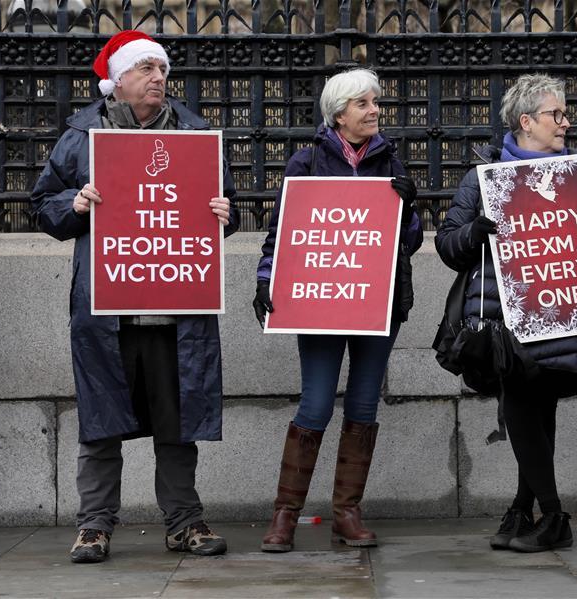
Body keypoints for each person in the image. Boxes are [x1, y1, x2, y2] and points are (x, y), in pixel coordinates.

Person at [31, 31, 239, 563]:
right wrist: (75, 204)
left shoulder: (194, 132)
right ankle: (94, 526)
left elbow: (223, 207)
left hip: (177, 313)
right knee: (101, 422)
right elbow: (43, 207)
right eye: (145, 68)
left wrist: (226, 215)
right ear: (118, 80)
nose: (157, 77)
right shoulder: (82, 134)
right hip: (108, 312)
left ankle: (184, 523)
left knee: (177, 424)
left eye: (161, 68)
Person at [435, 74, 577, 553]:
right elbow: (447, 243)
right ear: (526, 121)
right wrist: (474, 233)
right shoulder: (484, 177)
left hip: (562, 312)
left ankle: (531, 510)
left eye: (565, 115)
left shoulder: (576, 176)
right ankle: (549, 513)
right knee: (522, 400)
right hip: (508, 319)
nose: (565, 123)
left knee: (536, 407)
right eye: (556, 115)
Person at [253, 68, 422, 552]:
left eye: (375, 102)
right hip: (322, 304)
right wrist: (267, 279)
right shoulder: (305, 164)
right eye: (364, 103)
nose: (375, 110)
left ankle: (347, 512)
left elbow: (406, 243)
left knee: (365, 405)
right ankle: (285, 515)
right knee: (317, 403)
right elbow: (283, 231)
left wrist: (407, 209)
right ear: (340, 113)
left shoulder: (392, 161)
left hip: (378, 302)